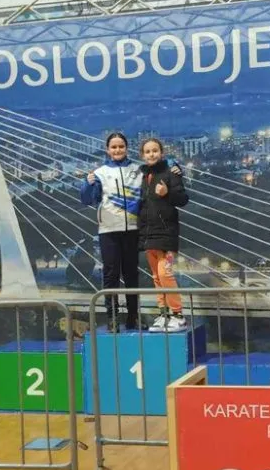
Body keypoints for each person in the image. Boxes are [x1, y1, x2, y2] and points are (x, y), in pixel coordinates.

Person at [79, 132, 144, 332]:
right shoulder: (100, 172)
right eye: (114, 147)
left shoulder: (138, 170)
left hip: (132, 229)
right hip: (108, 231)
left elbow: (159, 169)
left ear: (127, 148)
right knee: (111, 275)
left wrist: (174, 167)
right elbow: (86, 199)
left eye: (121, 146)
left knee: (131, 275)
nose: (117, 150)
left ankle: (133, 317)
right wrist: (87, 184)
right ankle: (112, 318)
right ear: (108, 150)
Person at [137, 138, 189, 332]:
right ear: (142, 155)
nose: (151, 154)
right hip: (149, 234)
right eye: (148, 151)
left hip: (167, 233)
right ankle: (164, 313)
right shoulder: (143, 176)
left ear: (162, 152)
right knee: (156, 277)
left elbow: (183, 199)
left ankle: (178, 315)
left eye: (155, 150)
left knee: (164, 273)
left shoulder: (171, 172)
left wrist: (167, 193)